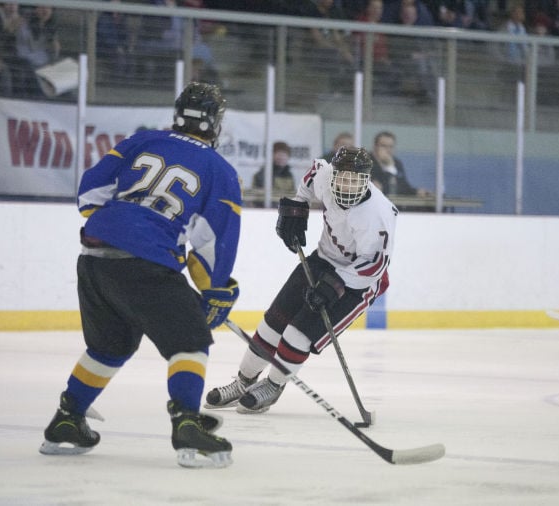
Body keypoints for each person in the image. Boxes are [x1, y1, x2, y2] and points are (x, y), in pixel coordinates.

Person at [39, 82, 242, 469]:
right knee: (190, 340)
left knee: (110, 347)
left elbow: (89, 195)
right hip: (145, 263)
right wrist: (218, 288)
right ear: (215, 123)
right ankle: (187, 424)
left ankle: (67, 420)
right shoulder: (221, 171)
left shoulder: (142, 140)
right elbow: (213, 244)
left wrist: (127, 226)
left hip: (95, 257)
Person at [203, 146, 397, 413]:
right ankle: (243, 382)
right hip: (322, 260)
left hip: (358, 282)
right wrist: (297, 208)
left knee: (297, 334)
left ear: (366, 180)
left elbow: (374, 265)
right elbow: (311, 175)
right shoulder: (324, 177)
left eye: (355, 180)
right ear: (335, 174)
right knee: (272, 325)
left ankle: (273, 385)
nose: (347, 185)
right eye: (343, 178)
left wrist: (335, 287)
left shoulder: (378, 214)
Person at [369, 131, 431, 197]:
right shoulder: (366, 163)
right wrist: (389, 167)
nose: (388, 150)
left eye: (391, 147)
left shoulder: (397, 163)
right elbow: (385, 190)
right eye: (384, 146)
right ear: (375, 147)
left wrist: (417, 192)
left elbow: (403, 187)